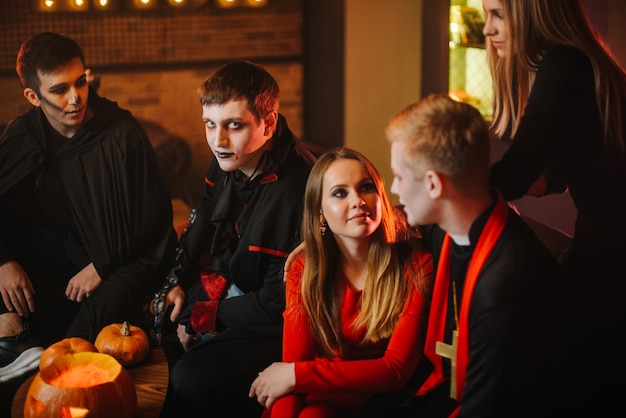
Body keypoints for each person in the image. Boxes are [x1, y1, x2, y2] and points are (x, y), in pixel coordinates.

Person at [0, 32, 177, 381]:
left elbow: (153, 220)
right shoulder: (22, 135)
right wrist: (4, 260)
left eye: (80, 82)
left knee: (78, 341)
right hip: (59, 253)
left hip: (123, 259)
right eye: (59, 89)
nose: (75, 98)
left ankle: (50, 367)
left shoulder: (121, 132)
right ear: (33, 96)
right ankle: (13, 342)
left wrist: (101, 263)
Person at [483, 0, 626, 412]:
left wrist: (442, 193)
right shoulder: (576, 61)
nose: (487, 31)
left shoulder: (564, 64)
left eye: (498, 15)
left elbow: (514, 171)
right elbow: (558, 178)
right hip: (604, 240)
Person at [153, 60, 317, 417]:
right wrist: (178, 282)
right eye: (210, 124)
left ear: (268, 123)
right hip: (234, 283)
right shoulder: (228, 156)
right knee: (162, 325)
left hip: (283, 320)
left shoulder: (298, 187)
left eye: (233, 125)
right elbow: (204, 221)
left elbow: (276, 303)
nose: (217, 140)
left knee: (190, 375)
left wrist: (203, 316)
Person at [380, 94, 561, 417]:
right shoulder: (459, 218)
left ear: (434, 184)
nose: (394, 188)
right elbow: (400, 222)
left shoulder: (505, 284)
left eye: (400, 177)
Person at [249, 148, 433, 418]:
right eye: (339, 193)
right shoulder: (304, 269)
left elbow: (395, 370)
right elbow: (290, 374)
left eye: (366, 187)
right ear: (320, 213)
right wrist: (294, 380)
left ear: (381, 196)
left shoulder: (416, 266)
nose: (358, 200)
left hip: (383, 401)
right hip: (319, 391)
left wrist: (297, 375)